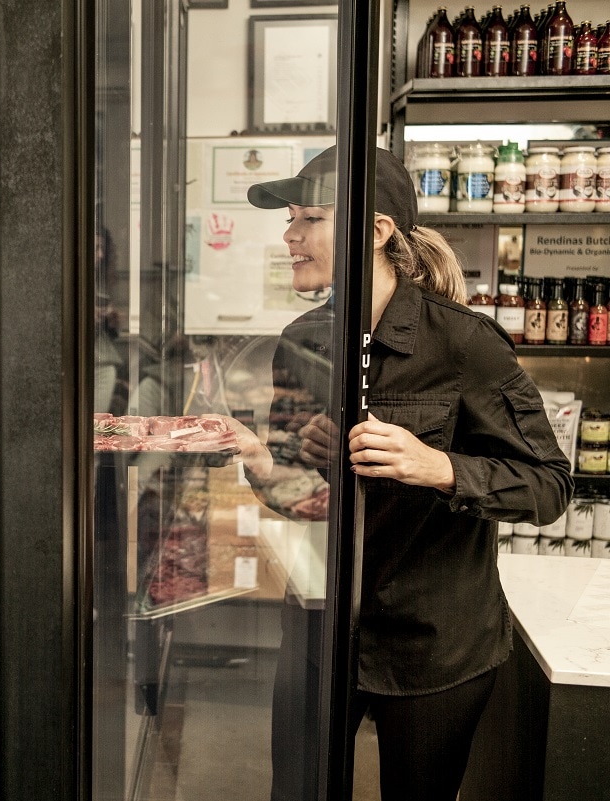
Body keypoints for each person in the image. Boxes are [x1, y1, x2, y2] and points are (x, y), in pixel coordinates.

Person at [230, 146, 574, 801]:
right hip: (321, 634)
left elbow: (549, 484)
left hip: (434, 648)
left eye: (310, 217)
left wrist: (437, 465)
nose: (290, 234)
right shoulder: (301, 342)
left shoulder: (465, 343)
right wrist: (263, 462)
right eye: (290, 218)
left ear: (378, 231)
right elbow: (305, 495)